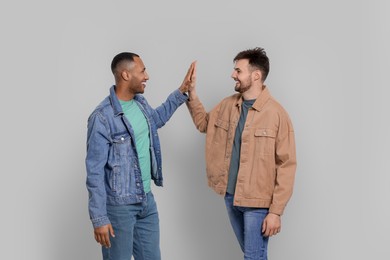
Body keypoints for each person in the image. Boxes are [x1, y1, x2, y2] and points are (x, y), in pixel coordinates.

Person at [186, 47, 296, 259]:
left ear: (256, 75)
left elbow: (287, 165)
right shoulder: (228, 105)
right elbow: (204, 124)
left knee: (253, 256)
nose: (233, 75)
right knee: (253, 254)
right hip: (231, 196)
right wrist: (192, 94)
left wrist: (275, 211)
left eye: (238, 70)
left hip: (258, 202)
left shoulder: (277, 114)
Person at [85, 52, 195, 260]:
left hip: (146, 201)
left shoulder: (140, 104)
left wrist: (182, 91)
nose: (147, 76)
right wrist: (99, 218)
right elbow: (94, 172)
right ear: (126, 75)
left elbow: (156, 120)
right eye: (142, 71)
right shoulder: (101, 117)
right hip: (119, 207)